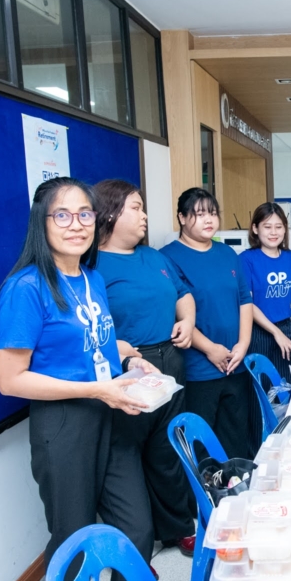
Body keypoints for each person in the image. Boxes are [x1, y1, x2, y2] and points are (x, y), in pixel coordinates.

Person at [0, 177, 162, 581]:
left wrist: (129, 361)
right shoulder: (27, 288)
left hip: (109, 412)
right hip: (64, 424)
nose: (76, 225)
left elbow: (96, 346)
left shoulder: (90, 278)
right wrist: (95, 390)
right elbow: (10, 379)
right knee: (73, 538)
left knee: (137, 528)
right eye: (62, 215)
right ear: (41, 222)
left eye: (85, 214)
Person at [93, 179, 197, 557]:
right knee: (128, 456)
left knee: (167, 448)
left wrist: (187, 321)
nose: (145, 216)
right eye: (135, 208)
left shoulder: (154, 257)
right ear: (110, 213)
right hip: (129, 369)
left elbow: (184, 294)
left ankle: (178, 527)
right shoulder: (92, 266)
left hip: (169, 361)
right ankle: (138, 543)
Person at [160, 188, 256, 460]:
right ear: (181, 217)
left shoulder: (228, 253)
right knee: (201, 446)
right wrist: (210, 349)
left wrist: (243, 344)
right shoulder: (167, 257)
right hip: (199, 369)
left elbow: (244, 300)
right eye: (199, 214)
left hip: (235, 363)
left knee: (235, 438)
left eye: (212, 213)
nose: (209, 219)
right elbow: (175, 314)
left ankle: (235, 484)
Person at [239, 202, 291, 383]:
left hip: (286, 328)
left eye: (278, 227)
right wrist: (275, 332)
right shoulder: (246, 259)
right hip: (257, 332)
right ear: (255, 229)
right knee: (262, 388)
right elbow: (248, 303)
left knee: (289, 385)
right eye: (267, 227)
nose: (273, 232)